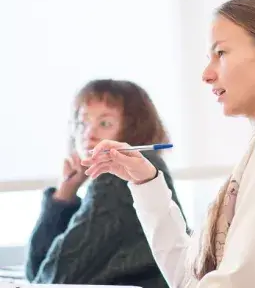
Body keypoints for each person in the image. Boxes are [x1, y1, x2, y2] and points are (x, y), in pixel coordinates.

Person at [82, 0, 255, 287]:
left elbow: (239, 283)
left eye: (221, 53)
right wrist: (146, 182)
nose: (207, 74)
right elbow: (187, 277)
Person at [26, 79, 185, 288]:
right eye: (82, 123)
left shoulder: (119, 179)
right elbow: (37, 275)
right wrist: (64, 196)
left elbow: (52, 279)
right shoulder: (116, 179)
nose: (88, 135)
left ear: (134, 131)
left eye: (105, 124)